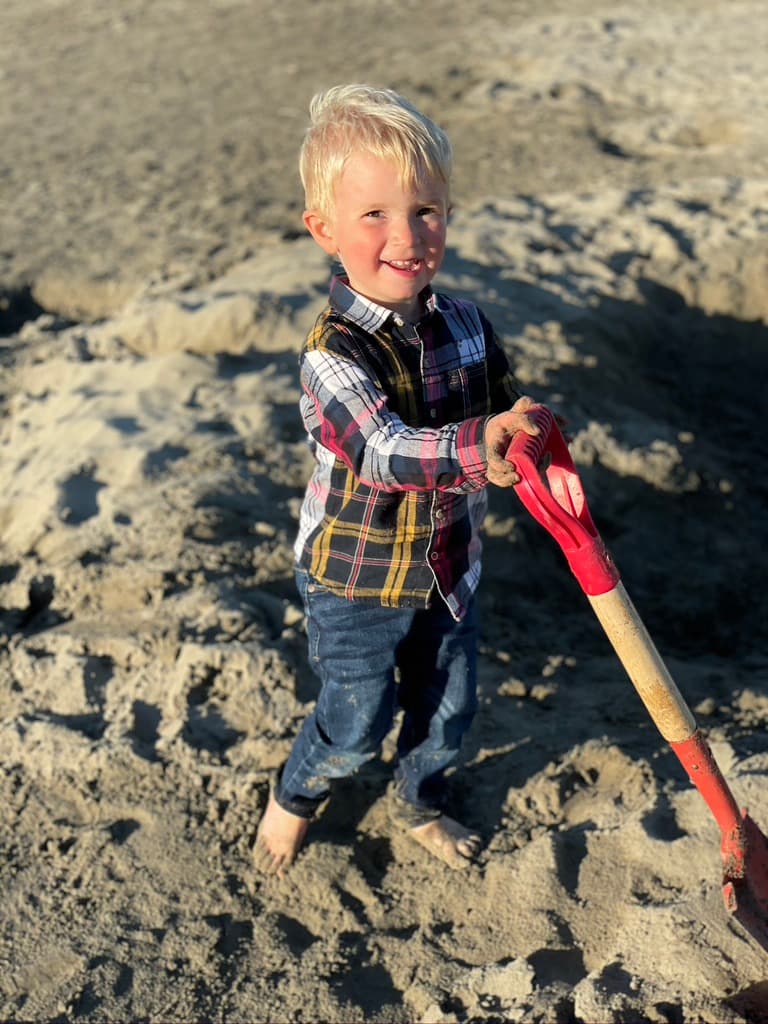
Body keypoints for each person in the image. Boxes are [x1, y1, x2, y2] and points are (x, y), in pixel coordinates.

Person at [254, 83, 542, 877]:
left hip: (450, 563)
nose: (407, 236)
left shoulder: (467, 322)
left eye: (426, 211)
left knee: (447, 708)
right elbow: (383, 450)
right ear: (324, 229)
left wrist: (525, 432)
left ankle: (420, 801)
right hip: (356, 578)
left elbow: (501, 404)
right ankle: (297, 792)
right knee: (356, 720)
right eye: (375, 214)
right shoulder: (332, 352)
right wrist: (479, 446)